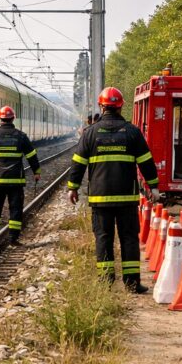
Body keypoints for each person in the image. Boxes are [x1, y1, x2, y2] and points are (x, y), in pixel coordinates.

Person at [67, 87, 159, 293]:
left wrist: (72, 188)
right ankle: (132, 283)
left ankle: (106, 282)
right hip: (127, 198)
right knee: (129, 238)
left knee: (103, 238)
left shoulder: (90, 133)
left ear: (102, 106)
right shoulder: (132, 132)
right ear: (120, 106)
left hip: (100, 199)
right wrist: (154, 187)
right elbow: (147, 162)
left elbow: (78, 164)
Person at [0, 105, 41, 245]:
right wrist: (36, 171)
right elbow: (32, 156)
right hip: (15, 180)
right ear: (13, 118)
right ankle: (13, 238)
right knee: (16, 208)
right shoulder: (21, 136)